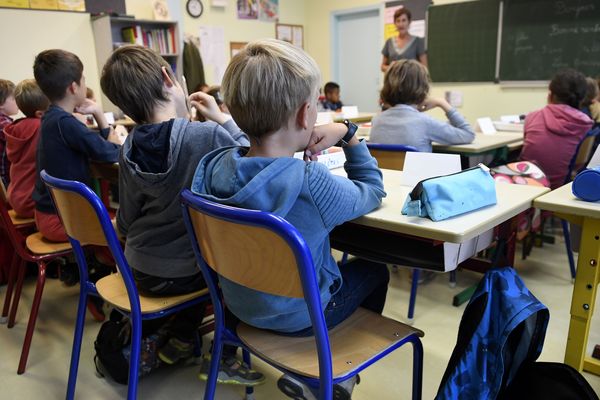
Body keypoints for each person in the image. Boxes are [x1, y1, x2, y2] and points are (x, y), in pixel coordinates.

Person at [192, 38, 389, 400]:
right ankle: (333, 375)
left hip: (239, 307)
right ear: (305, 114)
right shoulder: (310, 183)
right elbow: (373, 190)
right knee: (376, 270)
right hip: (300, 319)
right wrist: (349, 135)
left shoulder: (213, 167)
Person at [100, 45, 264, 386]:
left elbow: (126, 222)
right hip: (186, 272)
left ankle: (184, 335)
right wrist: (222, 117)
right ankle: (222, 357)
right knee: (232, 266)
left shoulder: (127, 146)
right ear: (167, 78)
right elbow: (257, 157)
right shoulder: (207, 135)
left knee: (193, 254)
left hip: (138, 269)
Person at [32, 49, 121, 243]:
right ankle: (106, 263)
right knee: (128, 228)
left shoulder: (51, 118)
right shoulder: (66, 123)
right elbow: (113, 154)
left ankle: (97, 261)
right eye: (84, 80)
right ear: (73, 87)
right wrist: (100, 115)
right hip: (62, 221)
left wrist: (97, 114)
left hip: (47, 214)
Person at [370, 59, 475, 152]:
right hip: (419, 174)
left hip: (385, 174)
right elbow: (468, 134)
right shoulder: (425, 123)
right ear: (422, 88)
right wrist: (442, 103)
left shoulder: (377, 120)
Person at [520, 69, 594, 189]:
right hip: (558, 191)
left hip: (525, 185)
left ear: (550, 95)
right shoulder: (585, 124)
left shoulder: (532, 117)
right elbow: (578, 165)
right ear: (582, 99)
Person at [5, 79, 49, 218]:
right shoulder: (42, 128)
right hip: (32, 202)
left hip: (15, 198)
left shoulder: (17, 127)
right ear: (40, 113)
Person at [380, 7, 427, 72]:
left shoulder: (417, 41)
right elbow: (382, 67)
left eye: (404, 20)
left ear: (409, 22)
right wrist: (392, 68)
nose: (401, 24)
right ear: (395, 23)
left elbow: (424, 66)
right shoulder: (389, 42)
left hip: (411, 81)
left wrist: (407, 69)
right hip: (392, 81)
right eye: (398, 21)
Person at [0, 79, 19, 187]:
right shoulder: (4, 125)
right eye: (13, 98)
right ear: (1, 104)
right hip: (7, 182)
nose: (17, 100)